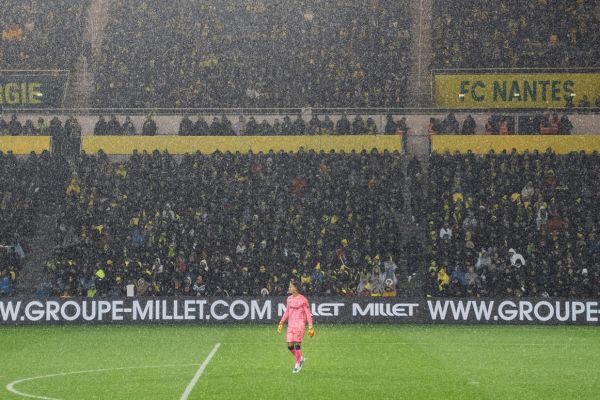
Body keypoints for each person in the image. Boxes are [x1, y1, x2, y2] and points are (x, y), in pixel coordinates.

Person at [277, 280, 314, 374]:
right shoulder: (289, 299)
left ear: (296, 288)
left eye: (291, 286)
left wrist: (310, 326)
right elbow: (287, 312)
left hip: (300, 325)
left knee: (297, 346)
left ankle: (297, 365)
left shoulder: (303, 300)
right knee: (290, 346)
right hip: (291, 325)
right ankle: (300, 358)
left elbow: (308, 314)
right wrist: (281, 322)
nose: (289, 288)